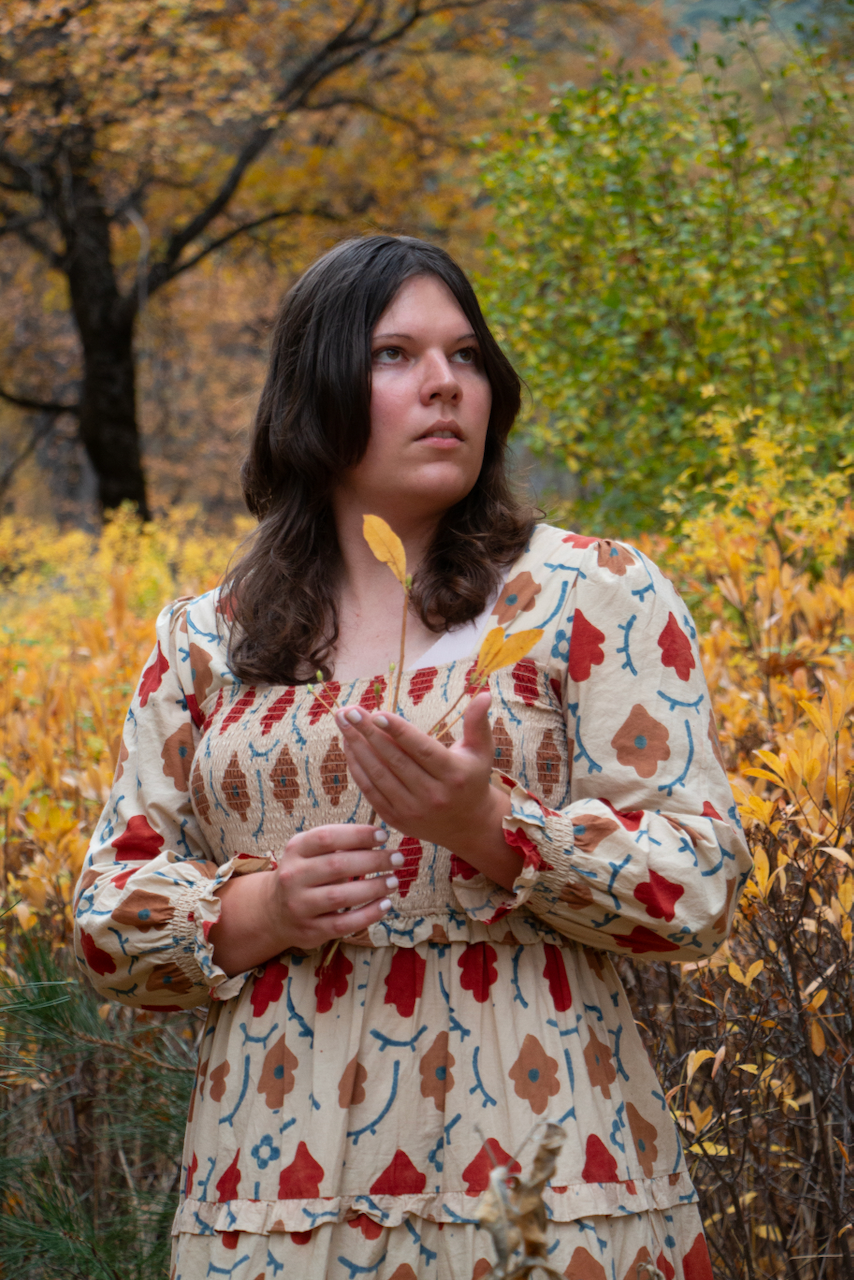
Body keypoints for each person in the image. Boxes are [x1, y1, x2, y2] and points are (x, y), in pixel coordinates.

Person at [73, 235, 751, 1280]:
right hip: (275, 1196)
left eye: (466, 355)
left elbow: (699, 882)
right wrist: (262, 911)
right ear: (313, 392)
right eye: (395, 354)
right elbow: (107, 917)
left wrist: (492, 829)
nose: (444, 384)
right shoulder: (205, 641)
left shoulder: (588, 596)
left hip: (539, 1179)